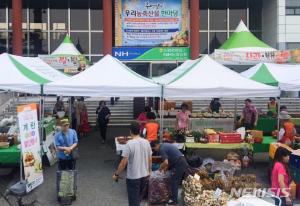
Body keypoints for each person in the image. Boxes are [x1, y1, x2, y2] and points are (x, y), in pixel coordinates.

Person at [113, 122, 152, 206]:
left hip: (133, 177)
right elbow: (150, 159)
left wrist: (116, 174)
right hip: (145, 176)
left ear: (130, 131)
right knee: (138, 199)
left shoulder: (129, 144)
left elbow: (123, 163)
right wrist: (149, 172)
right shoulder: (146, 142)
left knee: (133, 202)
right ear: (140, 131)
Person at [151, 141, 189, 205]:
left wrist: (160, 169)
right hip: (181, 161)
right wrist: (165, 168)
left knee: (174, 181)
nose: (154, 150)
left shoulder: (161, 149)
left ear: (156, 145)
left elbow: (166, 162)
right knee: (174, 180)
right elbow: (169, 160)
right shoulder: (164, 145)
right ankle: (173, 196)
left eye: (154, 148)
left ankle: (174, 201)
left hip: (179, 163)